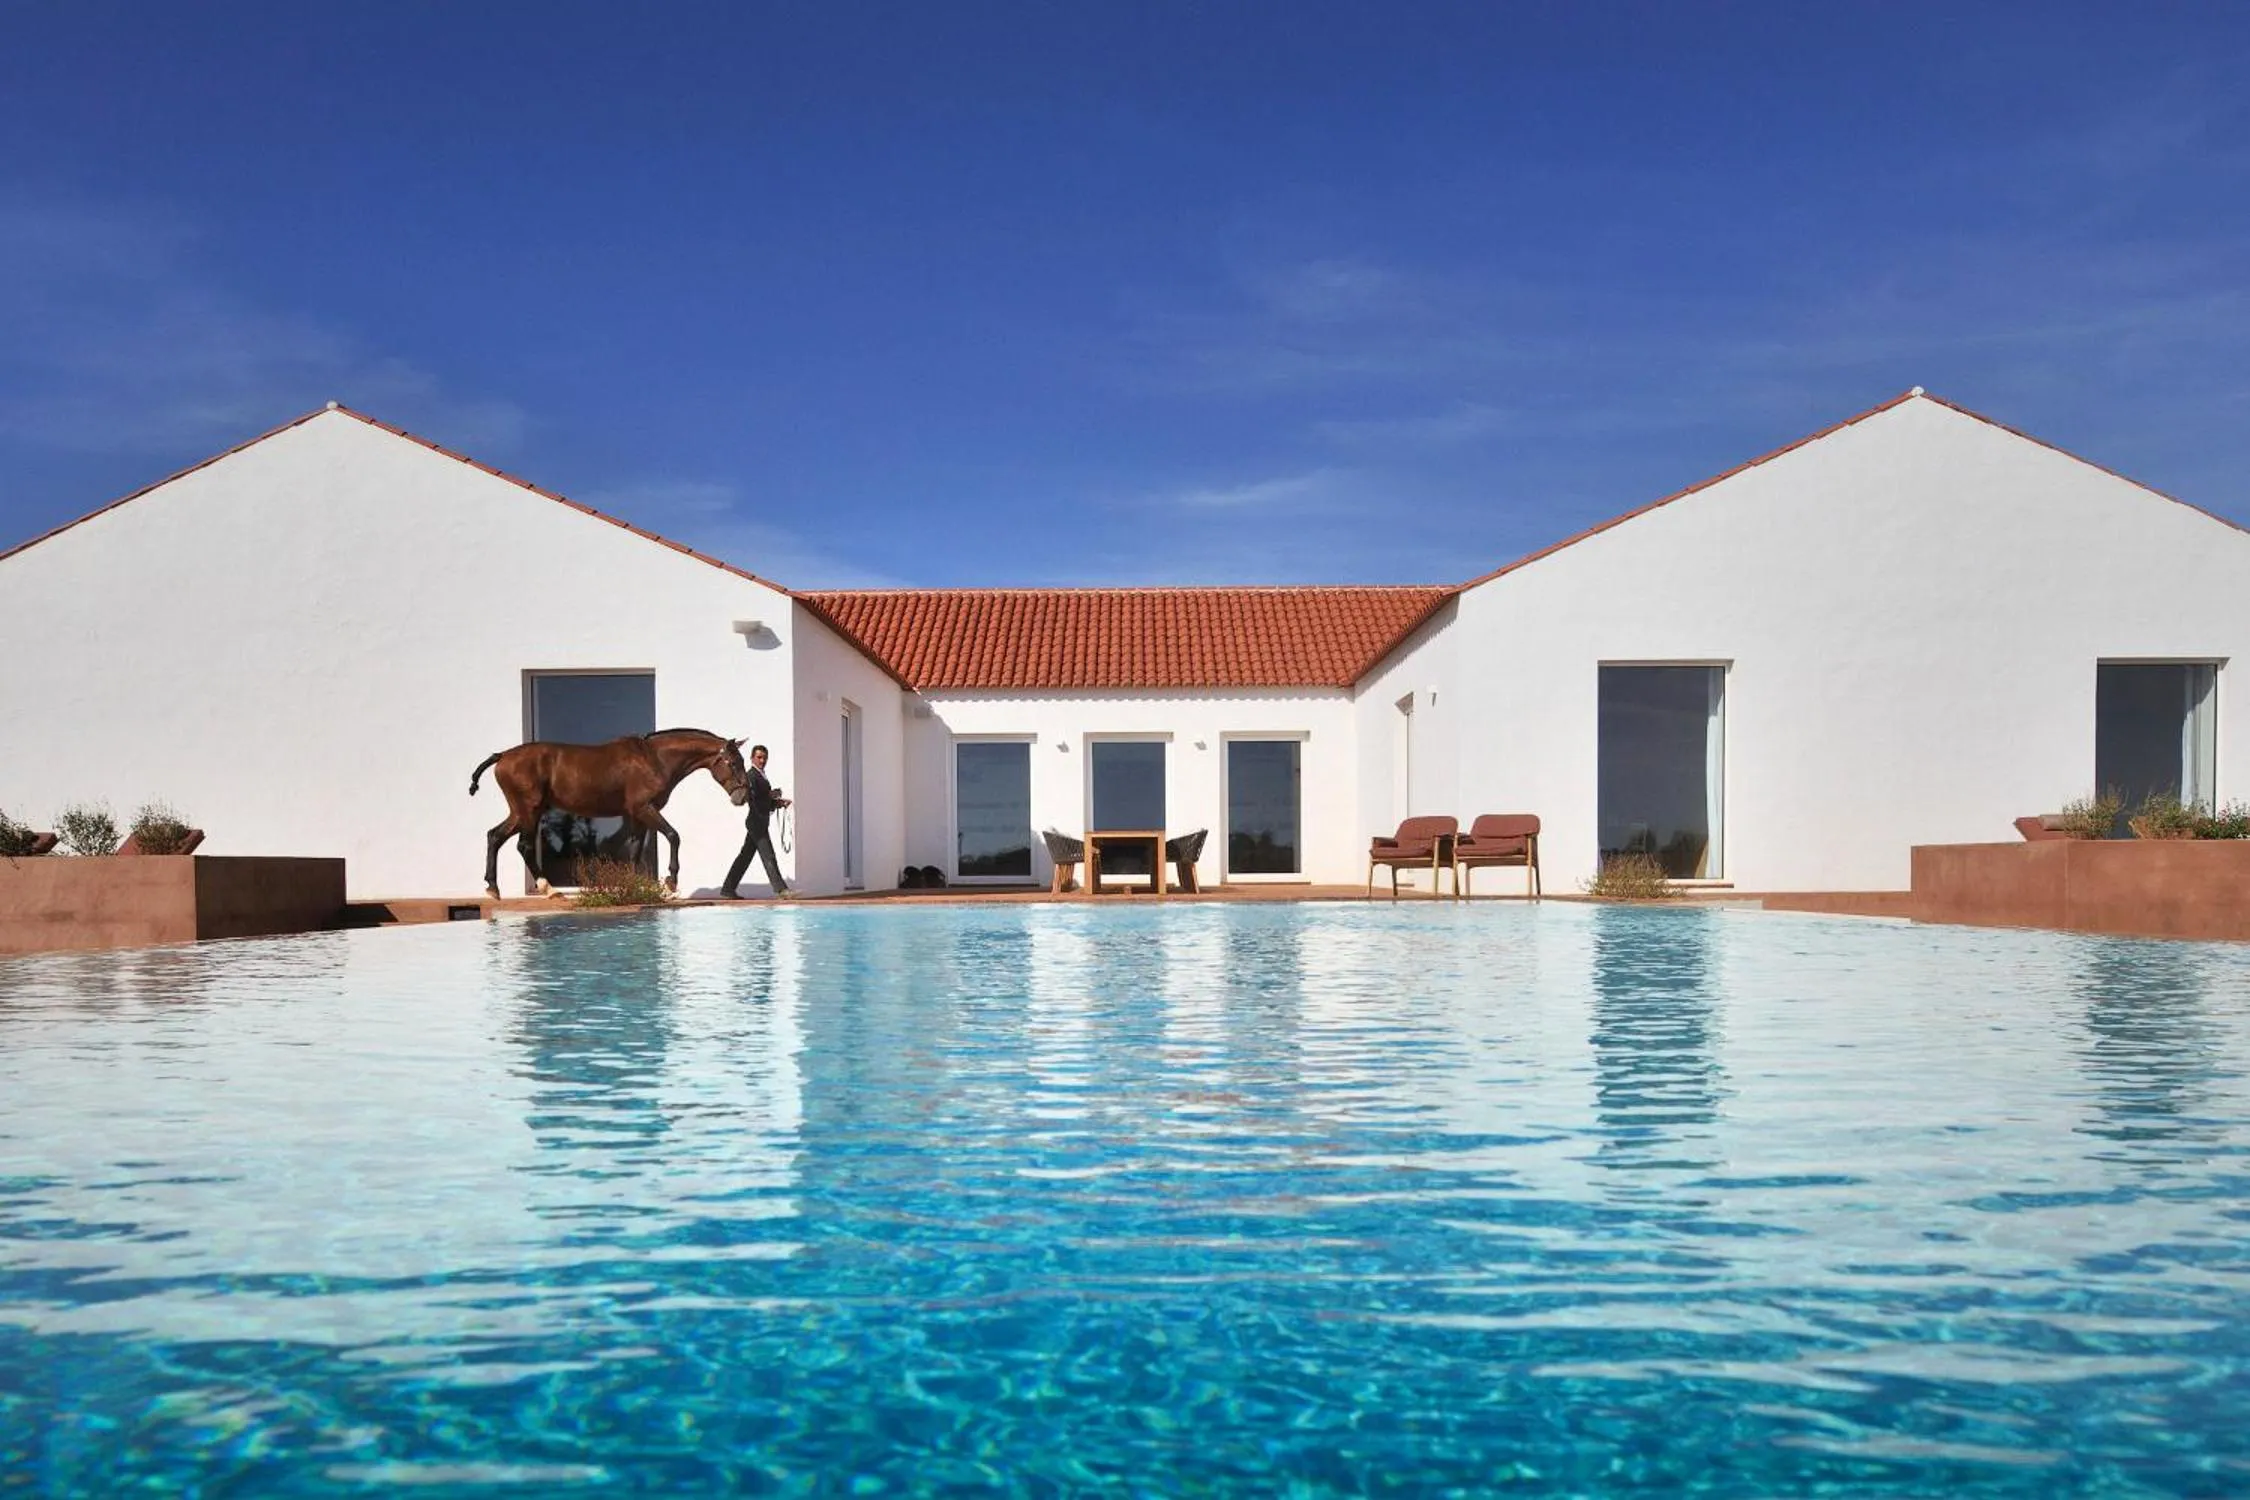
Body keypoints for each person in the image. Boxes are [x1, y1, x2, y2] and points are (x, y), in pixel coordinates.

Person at [719, 744, 793, 898]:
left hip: (759, 820)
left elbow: (763, 800)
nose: (762, 760)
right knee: (768, 855)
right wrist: (771, 795)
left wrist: (778, 803)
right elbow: (753, 798)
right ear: (752, 758)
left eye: (764, 758)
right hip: (756, 822)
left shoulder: (761, 775)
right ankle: (781, 890)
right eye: (759, 757)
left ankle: (727, 889)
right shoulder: (751, 775)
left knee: (744, 858)